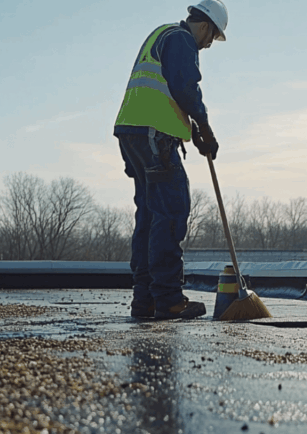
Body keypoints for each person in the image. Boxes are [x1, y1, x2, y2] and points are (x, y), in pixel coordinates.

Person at [114, 1, 228, 320]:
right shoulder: (181, 39)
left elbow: (164, 90)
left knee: (151, 216)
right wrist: (204, 126)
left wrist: (189, 129)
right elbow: (184, 86)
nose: (207, 45)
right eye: (211, 38)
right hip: (154, 135)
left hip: (134, 133)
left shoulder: (160, 34)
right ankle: (167, 298)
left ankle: (145, 299)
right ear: (205, 26)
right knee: (171, 211)